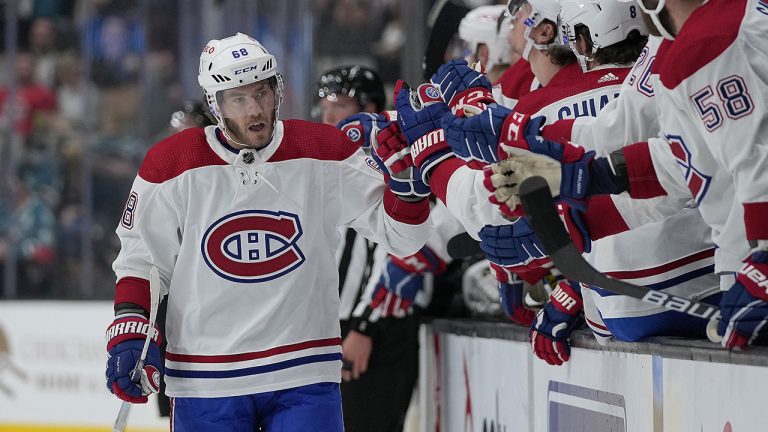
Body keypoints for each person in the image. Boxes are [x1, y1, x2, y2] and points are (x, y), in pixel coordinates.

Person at [104, 32, 433, 432]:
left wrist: (406, 183)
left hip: (305, 375)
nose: (256, 108)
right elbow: (141, 262)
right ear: (216, 105)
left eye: (262, 93)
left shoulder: (323, 149)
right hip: (205, 378)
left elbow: (404, 238)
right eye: (239, 99)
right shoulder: (172, 164)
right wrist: (132, 328)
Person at [492, 0, 768, 350]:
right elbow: (682, 162)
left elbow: (756, 158)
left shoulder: (712, 36)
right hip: (737, 267)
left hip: (747, 262)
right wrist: (588, 188)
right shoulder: (673, 45)